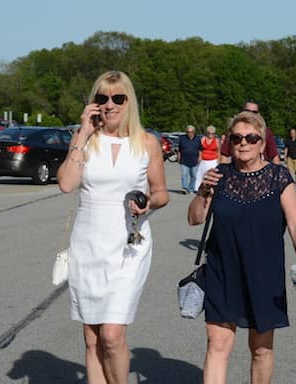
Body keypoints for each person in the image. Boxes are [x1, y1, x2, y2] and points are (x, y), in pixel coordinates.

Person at [57, 70, 169, 384]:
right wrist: (82, 132)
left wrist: (149, 201)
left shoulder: (147, 143)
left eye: (118, 97)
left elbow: (162, 192)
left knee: (111, 335)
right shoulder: (85, 140)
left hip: (128, 247)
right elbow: (67, 183)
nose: (110, 105)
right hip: (88, 245)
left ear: (129, 101)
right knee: (92, 339)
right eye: (102, 98)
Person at [188, 111, 296, 384]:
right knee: (217, 345)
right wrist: (202, 192)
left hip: (264, 275)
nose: (243, 143)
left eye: (251, 137)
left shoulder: (278, 177)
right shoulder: (218, 175)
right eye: (237, 138)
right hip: (223, 271)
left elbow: (295, 223)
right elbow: (194, 219)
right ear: (230, 142)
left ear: (262, 142)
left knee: (261, 348)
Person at [194, 125, 221, 192]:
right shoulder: (203, 139)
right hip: (204, 160)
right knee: (200, 174)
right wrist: (199, 157)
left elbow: (219, 151)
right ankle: (197, 188)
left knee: (212, 175)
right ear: (207, 133)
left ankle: (211, 188)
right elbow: (200, 149)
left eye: (212, 133)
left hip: (213, 160)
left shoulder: (216, 140)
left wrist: (219, 160)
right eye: (209, 133)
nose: (211, 135)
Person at [178, 125, 202, 194]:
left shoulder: (198, 139)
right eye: (188, 132)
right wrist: (179, 157)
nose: (190, 133)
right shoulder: (182, 138)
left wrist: (200, 157)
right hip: (184, 160)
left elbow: (200, 149)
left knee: (194, 176)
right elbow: (179, 149)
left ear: (194, 132)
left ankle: (191, 188)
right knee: (184, 175)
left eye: (191, 132)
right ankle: (185, 188)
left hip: (194, 160)